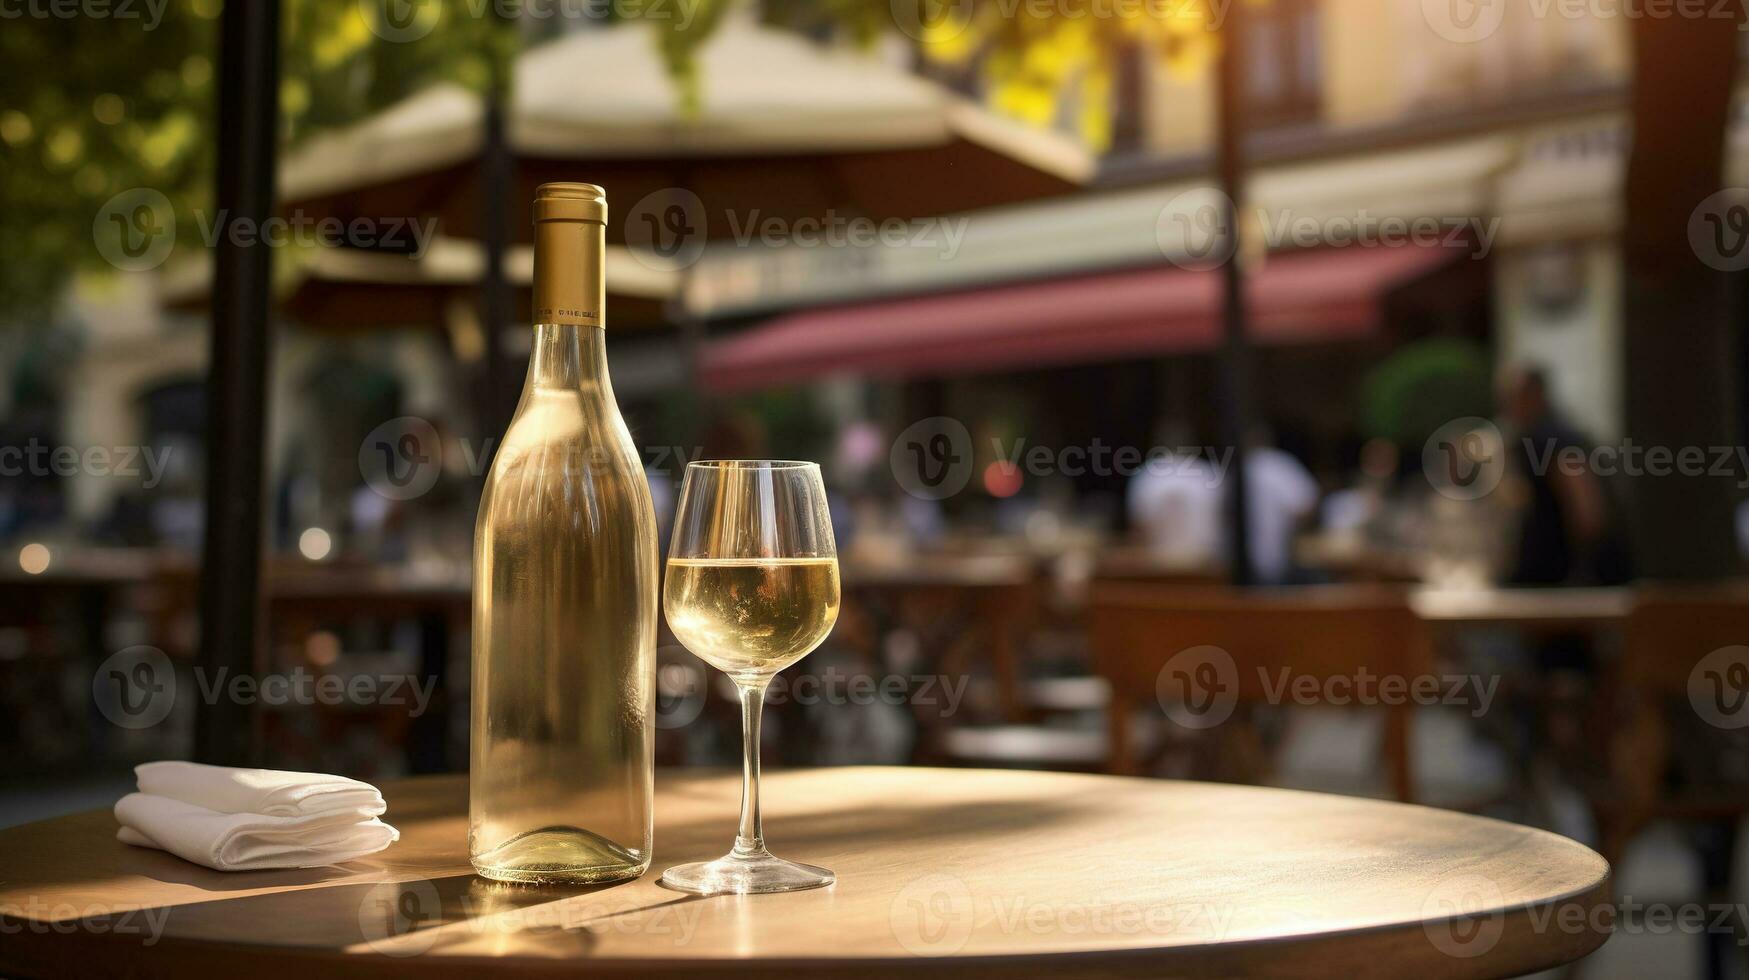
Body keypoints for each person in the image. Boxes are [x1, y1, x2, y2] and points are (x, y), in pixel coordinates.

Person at [1497, 366, 1630, 586]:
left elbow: (1588, 513)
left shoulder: (1551, 438)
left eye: (1512, 397)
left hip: (1559, 578)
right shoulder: (1550, 434)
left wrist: (1581, 570)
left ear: (1535, 395)